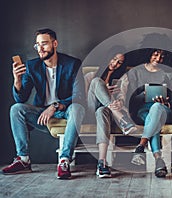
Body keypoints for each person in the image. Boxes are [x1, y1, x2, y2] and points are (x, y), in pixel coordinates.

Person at [2, 28, 85, 179]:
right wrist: (17, 80)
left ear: (55, 43)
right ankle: (24, 159)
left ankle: (64, 160)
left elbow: (79, 96)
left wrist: (54, 106)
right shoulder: (32, 66)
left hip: (66, 111)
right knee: (16, 109)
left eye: (44, 44)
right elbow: (21, 99)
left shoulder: (72, 64)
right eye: (37, 45)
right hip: (42, 115)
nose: (40, 49)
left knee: (77, 108)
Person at [123, 49, 172, 178]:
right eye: (155, 54)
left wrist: (166, 102)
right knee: (153, 119)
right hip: (142, 110)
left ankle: (141, 144)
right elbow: (129, 101)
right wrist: (143, 95)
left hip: (164, 110)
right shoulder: (136, 72)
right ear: (148, 53)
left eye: (162, 56)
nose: (158, 59)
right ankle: (158, 159)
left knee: (157, 108)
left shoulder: (168, 73)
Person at [86, 52, 137, 178]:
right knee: (97, 82)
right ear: (108, 57)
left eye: (119, 62)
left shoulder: (122, 78)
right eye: (114, 59)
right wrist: (102, 91)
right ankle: (123, 120)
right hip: (91, 109)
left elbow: (122, 97)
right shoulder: (90, 75)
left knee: (102, 111)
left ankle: (102, 163)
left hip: (106, 113)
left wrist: (119, 102)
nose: (115, 64)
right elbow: (84, 97)